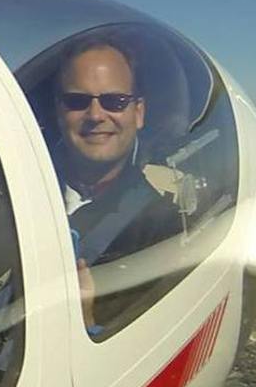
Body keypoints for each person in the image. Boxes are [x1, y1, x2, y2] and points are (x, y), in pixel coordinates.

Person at [47, 35, 183, 335]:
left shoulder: (158, 230)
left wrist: (84, 325)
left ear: (138, 113)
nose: (95, 115)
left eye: (115, 101)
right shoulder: (16, 188)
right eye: (77, 101)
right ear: (59, 111)